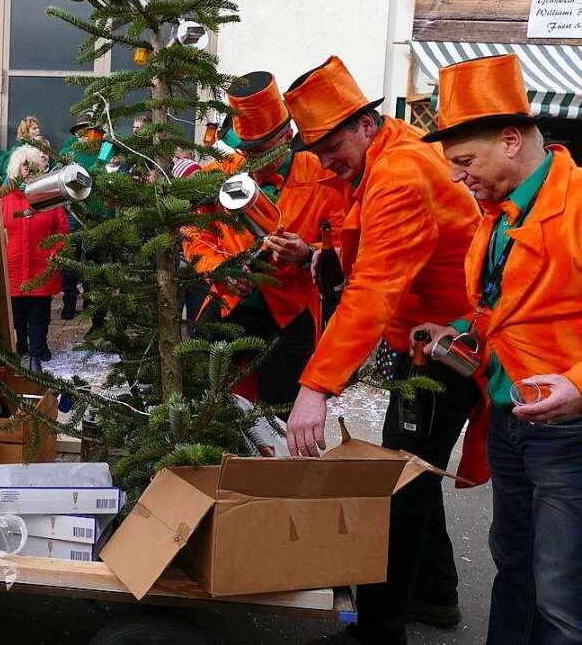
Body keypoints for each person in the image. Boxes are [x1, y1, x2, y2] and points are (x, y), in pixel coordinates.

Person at [281, 57, 482, 645]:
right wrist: (314, 256)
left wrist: (314, 388)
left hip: (443, 353)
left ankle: (379, 629)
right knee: (414, 470)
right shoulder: (387, 156)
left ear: (368, 124)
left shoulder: (398, 173)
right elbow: (364, 258)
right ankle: (436, 596)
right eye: (316, 151)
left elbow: (373, 289)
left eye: (334, 144)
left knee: (398, 483)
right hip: (428, 344)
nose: (327, 161)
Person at [414, 54, 582, 645]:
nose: (458, 177)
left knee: (562, 595)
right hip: (510, 420)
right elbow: (505, 305)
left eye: (464, 161)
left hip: (569, 432)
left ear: (511, 141)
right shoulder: (496, 214)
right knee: (514, 569)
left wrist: (580, 384)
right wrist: (459, 330)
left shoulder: (580, 205)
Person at [183, 71, 348, 415]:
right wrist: (219, 269)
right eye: (246, 151)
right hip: (226, 306)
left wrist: (308, 253)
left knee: (281, 415)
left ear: (287, 135)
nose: (252, 161)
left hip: (291, 315)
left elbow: (351, 246)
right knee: (202, 405)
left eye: (261, 150)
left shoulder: (326, 178)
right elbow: (192, 232)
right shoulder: (220, 174)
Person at [2, 145, 69, 374]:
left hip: (42, 267)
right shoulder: (5, 197)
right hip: (13, 267)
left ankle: (36, 354)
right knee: (17, 315)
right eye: (24, 164)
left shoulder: (48, 196)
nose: (28, 169)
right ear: (15, 168)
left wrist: (55, 254)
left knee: (39, 315)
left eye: (32, 164)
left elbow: (62, 229)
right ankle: (21, 346)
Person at [59, 113, 108, 329]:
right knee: (71, 263)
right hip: (74, 217)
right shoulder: (68, 154)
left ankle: (90, 305)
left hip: (98, 218)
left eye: (90, 130)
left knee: (93, 264)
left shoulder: (106, 152)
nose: (87, 135)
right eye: (82, 130)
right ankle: (69, 305)